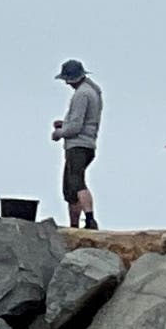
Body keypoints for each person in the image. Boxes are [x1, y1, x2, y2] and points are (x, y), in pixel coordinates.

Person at [51, 59, 102, 229]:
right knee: (70, 188)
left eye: (67, 79)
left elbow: (75, 127)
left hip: (79, 145)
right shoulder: (93, 91)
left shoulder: (82, 94)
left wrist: (59, 133)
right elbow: (84, 121)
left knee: (77, 182)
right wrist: (65, 124)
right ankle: (75, 225)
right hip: (88, 144)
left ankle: (89, 219)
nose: (67, 83)